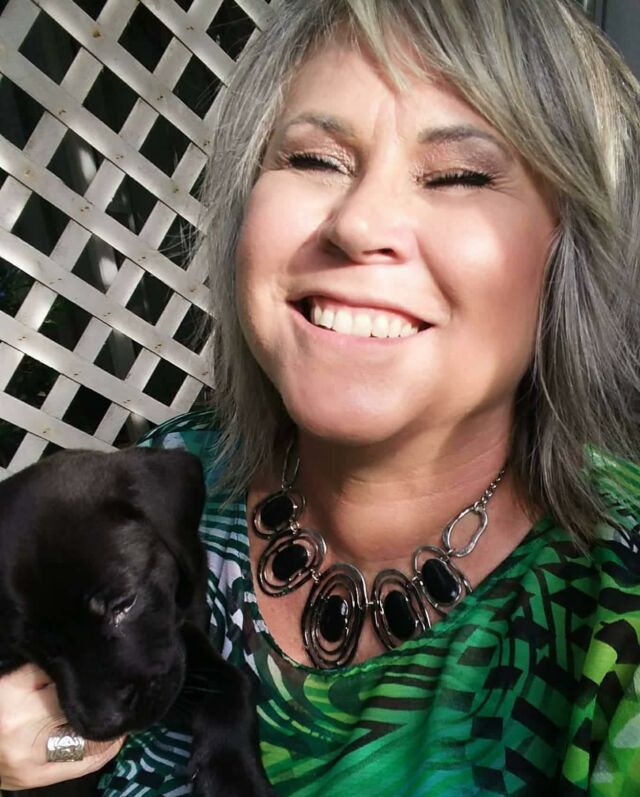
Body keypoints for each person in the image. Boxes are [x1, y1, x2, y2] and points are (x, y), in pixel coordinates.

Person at [1, 0, 639, 794]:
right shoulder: (159, 474)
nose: (360, 222)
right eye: (314, 160)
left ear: (571, 250)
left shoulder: (617, 608)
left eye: (459, 175)